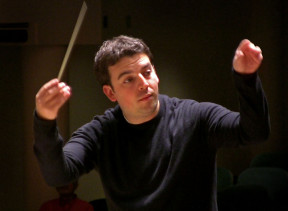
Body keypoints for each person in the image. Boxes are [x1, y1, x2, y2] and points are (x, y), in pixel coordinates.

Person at [34, 35, 270, 210]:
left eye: (147, 73)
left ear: (155, 73)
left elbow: (254, 133)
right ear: (110, 93)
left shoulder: (195, 116)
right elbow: (58, 175)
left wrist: (246, 79)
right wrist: (45, 119)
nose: (143, 84)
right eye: (128, 80)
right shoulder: (100, 133)